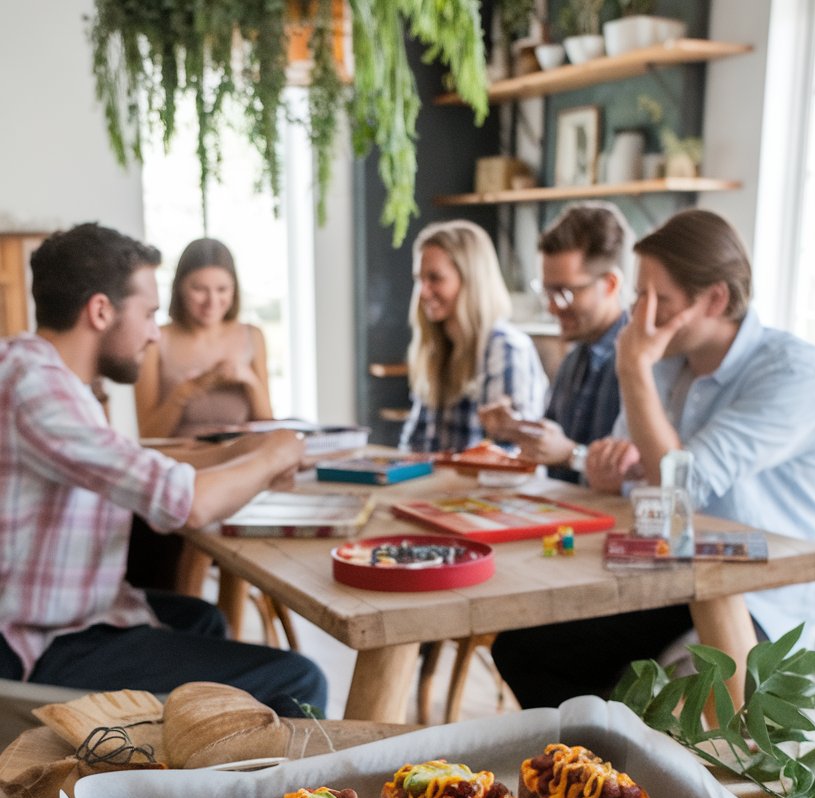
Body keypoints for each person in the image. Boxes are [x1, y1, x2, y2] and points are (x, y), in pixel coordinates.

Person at [492, 208, 815, 708]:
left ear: (714, 299)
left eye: (659, 301)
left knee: (669, 700)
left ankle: (623, 764)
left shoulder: (791, 374)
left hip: (758, 596)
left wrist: (632, 366)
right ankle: (595, 769)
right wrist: (612, 468)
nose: (639, 317)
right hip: (668, 576)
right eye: (638, 297)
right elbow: (638, 476)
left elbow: (678, 491)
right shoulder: (670, 360)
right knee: (522, 649)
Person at [0, 222, 327, 717]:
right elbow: (187, 504)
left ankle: (195, 775)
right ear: (101, 311)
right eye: (149, 313)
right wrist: (276, 452)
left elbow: (134, 462)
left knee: (201, 619)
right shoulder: (38, 390)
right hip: (40, 646)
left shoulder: (40, 373)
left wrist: (245, 453)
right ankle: (273, 793)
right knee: (299, 680)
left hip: (75, 611)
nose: (155, 332)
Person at [479, 202, 632, 482]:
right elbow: (553, 443)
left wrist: (570, 454)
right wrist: (516, 428)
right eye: (547, 291)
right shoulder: (573, 360)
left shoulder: (641, 364)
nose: (552, 307)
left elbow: (639, 477)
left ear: (610, 285)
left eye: (564, 292)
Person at [398, 219, 547, 453]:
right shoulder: (437, 347)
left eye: (435, 278)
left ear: (471, 280)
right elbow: (414, 445)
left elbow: (510, 453)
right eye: (419, 279)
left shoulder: (505, 347)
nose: (423, 291)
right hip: (444, 487)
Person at [134, 237, 273, 439]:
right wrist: (184, 392)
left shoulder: (253, 336)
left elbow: (268, 427)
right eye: (199, 289)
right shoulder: (155, 340)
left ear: (234, 289)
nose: (212, 301)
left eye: (222, 289)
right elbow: (148, 436)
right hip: (183, 464)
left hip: (241, 460)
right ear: (180, 288)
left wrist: (249, 380)